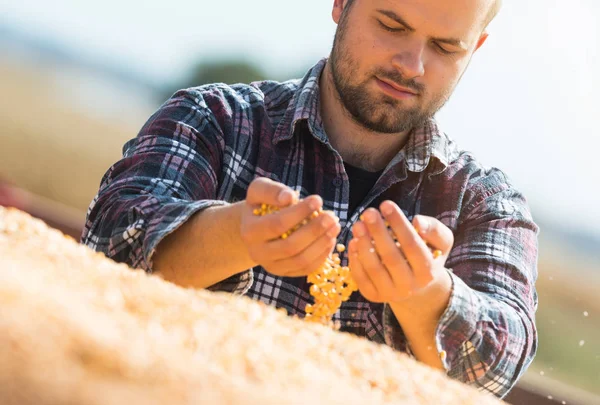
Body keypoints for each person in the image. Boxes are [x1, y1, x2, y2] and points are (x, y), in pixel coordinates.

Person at [82, 0, 538, 398]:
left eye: (445, 47)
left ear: (474, 48)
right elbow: (104, 244)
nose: (411, 64)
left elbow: (500, 368)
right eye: (392, 26)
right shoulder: (215, 120)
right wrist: (235, 236)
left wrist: (427, 295)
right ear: (342, 4)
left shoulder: (486, 204)